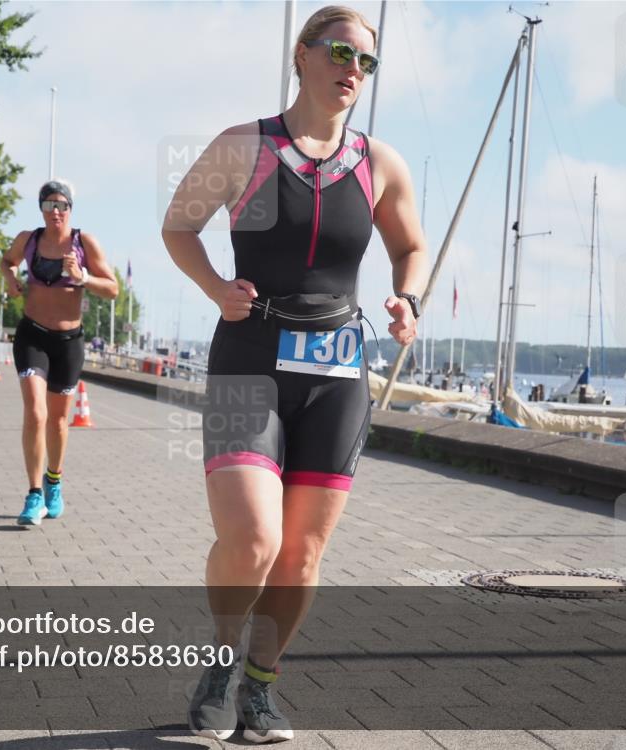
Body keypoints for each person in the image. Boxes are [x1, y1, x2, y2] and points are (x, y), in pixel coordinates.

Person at [162, 6, 427, 743]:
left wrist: (407, 299)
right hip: (248, 358)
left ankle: (260, 689)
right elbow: (178, 225)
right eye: (341, 52)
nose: (353, 70)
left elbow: (411, 246)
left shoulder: (380, 164)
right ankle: (218, 664)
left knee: (304, 551)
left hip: (337, 373)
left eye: (366, 62)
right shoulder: (244, 146)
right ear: (302, 56)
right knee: (253, 539)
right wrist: (218, 288)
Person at [0, 180, 119, 525]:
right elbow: (7, 261)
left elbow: (112, 289)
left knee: (58, 421)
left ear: (70, 209)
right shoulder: (29, 240)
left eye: (62, 205)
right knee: (35, 413)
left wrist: (81, 277)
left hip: (68, 343)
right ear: (40, 208)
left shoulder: (84, 243)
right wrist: (9, 280)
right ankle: (34, 494)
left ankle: (54, 480)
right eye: (49, 204)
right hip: (32, 336)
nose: (56, 211)